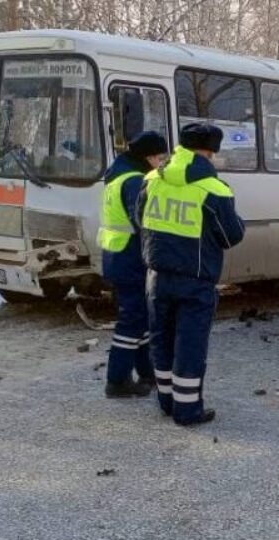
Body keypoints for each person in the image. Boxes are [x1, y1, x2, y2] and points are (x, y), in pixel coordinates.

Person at [140, 123, 245, 426]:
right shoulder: (214, 189)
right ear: (209, 152)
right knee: (190, 344)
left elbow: (140, 221)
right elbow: (230, 235)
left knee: (161, 339)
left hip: (157, 276)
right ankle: (187, 410)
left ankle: (166, 401)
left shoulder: (151, 180)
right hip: (196, 281)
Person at [99, 131, 169, 399]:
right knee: (131, 320)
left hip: (116, 255)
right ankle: (117, 380)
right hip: (130, 257)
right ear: (148, 156)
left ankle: (146, 373)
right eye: (160, 157)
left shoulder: (118, 175)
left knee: (139, 318)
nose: (162, 163)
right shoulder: (134, 181)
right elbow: (144, 222)